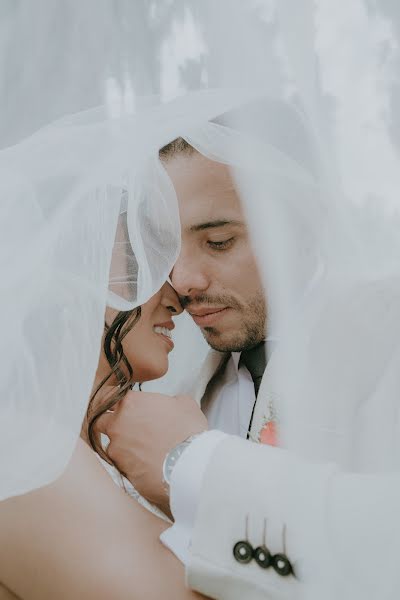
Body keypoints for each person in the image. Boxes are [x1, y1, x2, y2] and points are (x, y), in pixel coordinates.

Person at [97, 137, 400, 599]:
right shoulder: (176, 382)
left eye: (218, 241)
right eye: (166, 250)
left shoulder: (385, 333)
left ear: (304, 222)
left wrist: (193, 467)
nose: (182, 282)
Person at [0, 280, 210, 599]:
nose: (176, 302)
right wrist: (195, 463)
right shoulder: (26, 451)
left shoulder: (116, 456)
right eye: (140, 269)